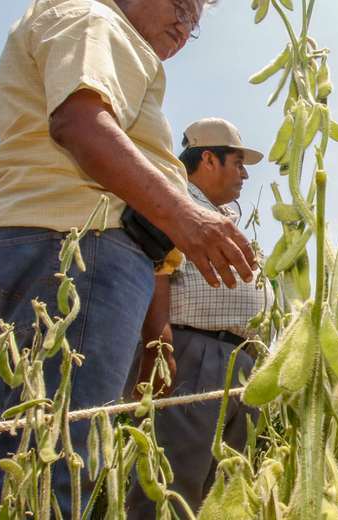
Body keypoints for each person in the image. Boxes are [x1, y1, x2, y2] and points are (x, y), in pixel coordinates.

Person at [0, 0, 257, 514]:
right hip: (76, 252)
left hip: (53, 251)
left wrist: (154, 329)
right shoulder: (97, 20)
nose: (185, 25)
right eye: (180, 5)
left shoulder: (93, 31)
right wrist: (184, 218)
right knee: (57, 464)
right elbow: (80, 125)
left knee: (27, 449)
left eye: (196, 21)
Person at [125, 118, 271, 517]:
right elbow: (155, 269)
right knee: (174, 482)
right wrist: (161, 343)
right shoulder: (175, 203)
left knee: (221, 490)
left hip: (235, 360)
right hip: (192, 354)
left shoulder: (213, 213)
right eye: (237, 163)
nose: (244, 175)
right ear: (208, 158)